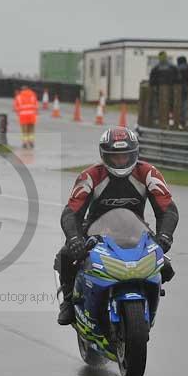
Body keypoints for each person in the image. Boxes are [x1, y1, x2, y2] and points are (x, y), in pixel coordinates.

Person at [54, 127, 179, 326]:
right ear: (104, 155)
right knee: (65, 256)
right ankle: (68, 301)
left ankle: (149, 298)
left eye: (125, 155)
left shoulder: (148, 173)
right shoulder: (90, 176)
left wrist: (165, 235)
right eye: (115, 156)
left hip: (136, 231)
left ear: (135, 154)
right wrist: (75, 238)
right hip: (95, 231)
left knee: (167, 267)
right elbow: (71, 212)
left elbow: (168, 209)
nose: (121, 161)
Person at [148, 51, 179, 123]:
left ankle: (160, 119)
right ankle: (170, 120)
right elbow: (178, 78)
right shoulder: (172, 67)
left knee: (159, 105)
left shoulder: (156, 68)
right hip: (170, 89)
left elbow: (152, 80)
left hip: (159, 90)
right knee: (170, 105)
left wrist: (154, 86)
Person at [176, 56, 188, 127]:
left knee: (179, 104)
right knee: (186, 105)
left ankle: (180, 121)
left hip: (179, 88)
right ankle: (186, 120)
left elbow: (176, 78)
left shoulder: (178, 68)